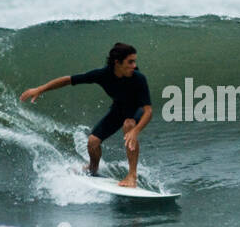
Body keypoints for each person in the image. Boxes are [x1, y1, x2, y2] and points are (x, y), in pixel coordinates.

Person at [20, 42, 152, 187]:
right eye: (130, 62)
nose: (134, 66)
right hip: (118, 109)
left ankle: (132, 175)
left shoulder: (138, 78)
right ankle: (92, 169)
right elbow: (68, 80)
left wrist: (135, 131)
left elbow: (148, 111)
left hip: (136, 111)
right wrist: (40, 89)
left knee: (129, 125)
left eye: (134, 61)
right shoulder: (102, 75)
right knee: (93, 142)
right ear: (117, 62)